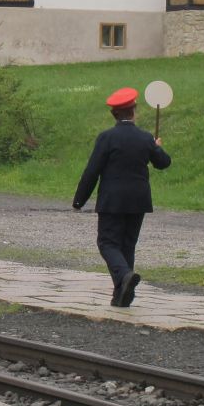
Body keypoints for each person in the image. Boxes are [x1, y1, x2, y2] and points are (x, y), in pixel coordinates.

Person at [71, 87, 171, 307]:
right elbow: (163, 163)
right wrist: (157, 148)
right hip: (138, 201)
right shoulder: (145, 138)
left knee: (107, 242)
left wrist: (80, 200)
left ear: (114, 114)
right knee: (127, 245)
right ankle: (122, 297)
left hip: (112, 200)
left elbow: (92, 171)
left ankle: (125, 276)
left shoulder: (106, 138)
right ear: (134, 111)